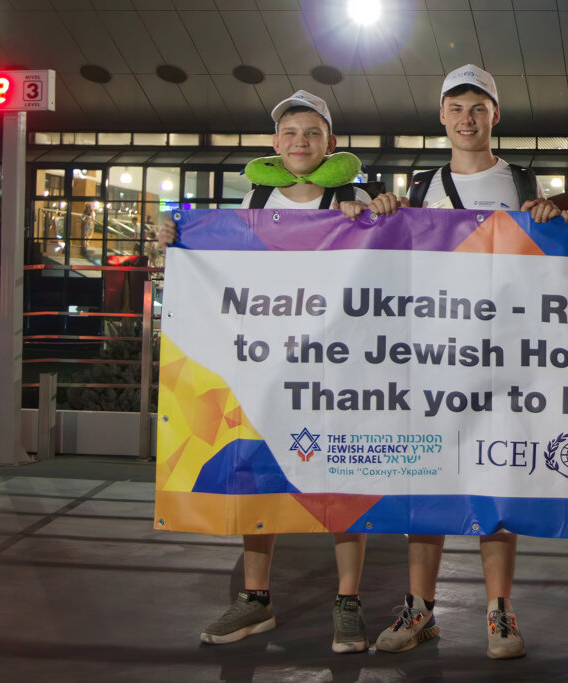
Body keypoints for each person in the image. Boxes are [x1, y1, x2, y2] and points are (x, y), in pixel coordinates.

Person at [157, 90, 381, 653]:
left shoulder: (349, 196)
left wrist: (372, 216)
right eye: (289, 133)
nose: (300, 142)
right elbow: (217, 263)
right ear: (274, 144)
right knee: (256, 473)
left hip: (337, 367)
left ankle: (348, 600)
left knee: (341, 478)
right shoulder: (253, 199)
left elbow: (388, 255)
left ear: (330, 142)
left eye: (312, 133)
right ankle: (256, 599)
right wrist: (175, 236)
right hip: (269, 367)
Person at [367, 64, 568, 661]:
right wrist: (379, 212)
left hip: (505, 359)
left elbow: (555, 261)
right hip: (433, 356)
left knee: (497, 480)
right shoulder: (421, 184)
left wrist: (563, 221)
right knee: (425, 480)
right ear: (441, 116)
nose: (466, 119)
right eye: (456, 108)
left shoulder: (524, 182)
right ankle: (419, 608)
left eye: (477, 108)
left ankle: (499, 611)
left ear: (495, 116)